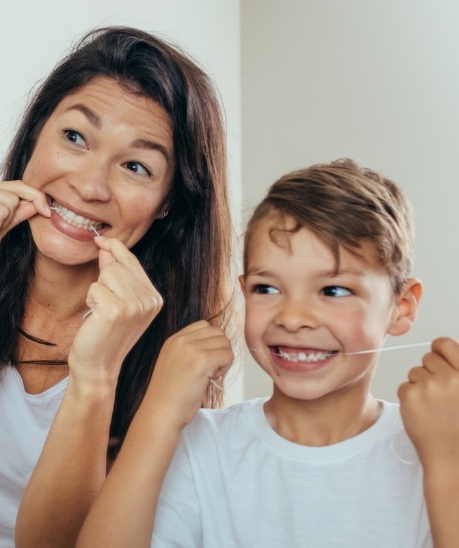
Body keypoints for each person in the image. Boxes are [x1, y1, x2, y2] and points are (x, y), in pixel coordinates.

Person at [0, 26, 236, 548]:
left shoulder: (174, 350)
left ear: (168, 202)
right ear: (36, 132)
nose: (90, 186)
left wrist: (96, 376)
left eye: (136, 166)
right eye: (75, 138)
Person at [76, 158, 459, 548]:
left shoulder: (439, 444)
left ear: (403, 307)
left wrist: (448, 462)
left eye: (334, 291)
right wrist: (158, 414)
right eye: (267, 289)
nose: (292, 318)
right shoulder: (200, 447)